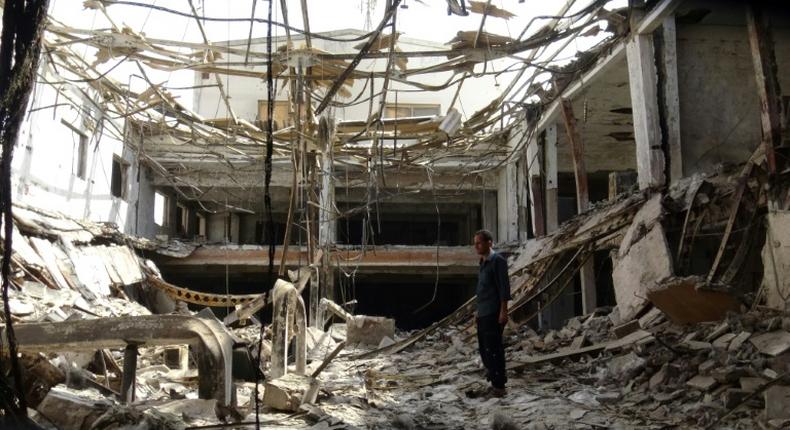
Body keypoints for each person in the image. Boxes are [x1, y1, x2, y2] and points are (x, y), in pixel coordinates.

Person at [473, 229, 511, 397]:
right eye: (475, 244)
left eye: (479, 243)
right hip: (483, 312)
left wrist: (503, 311)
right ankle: (494, 379)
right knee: (484, 349)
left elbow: (504, 288)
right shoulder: (483, 262)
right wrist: (478, 311)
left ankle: (499, 386)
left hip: (494, 312)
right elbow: (483, 289)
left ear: (489, 242)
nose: (476, 247)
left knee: (494, 349)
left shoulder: (498, 261)